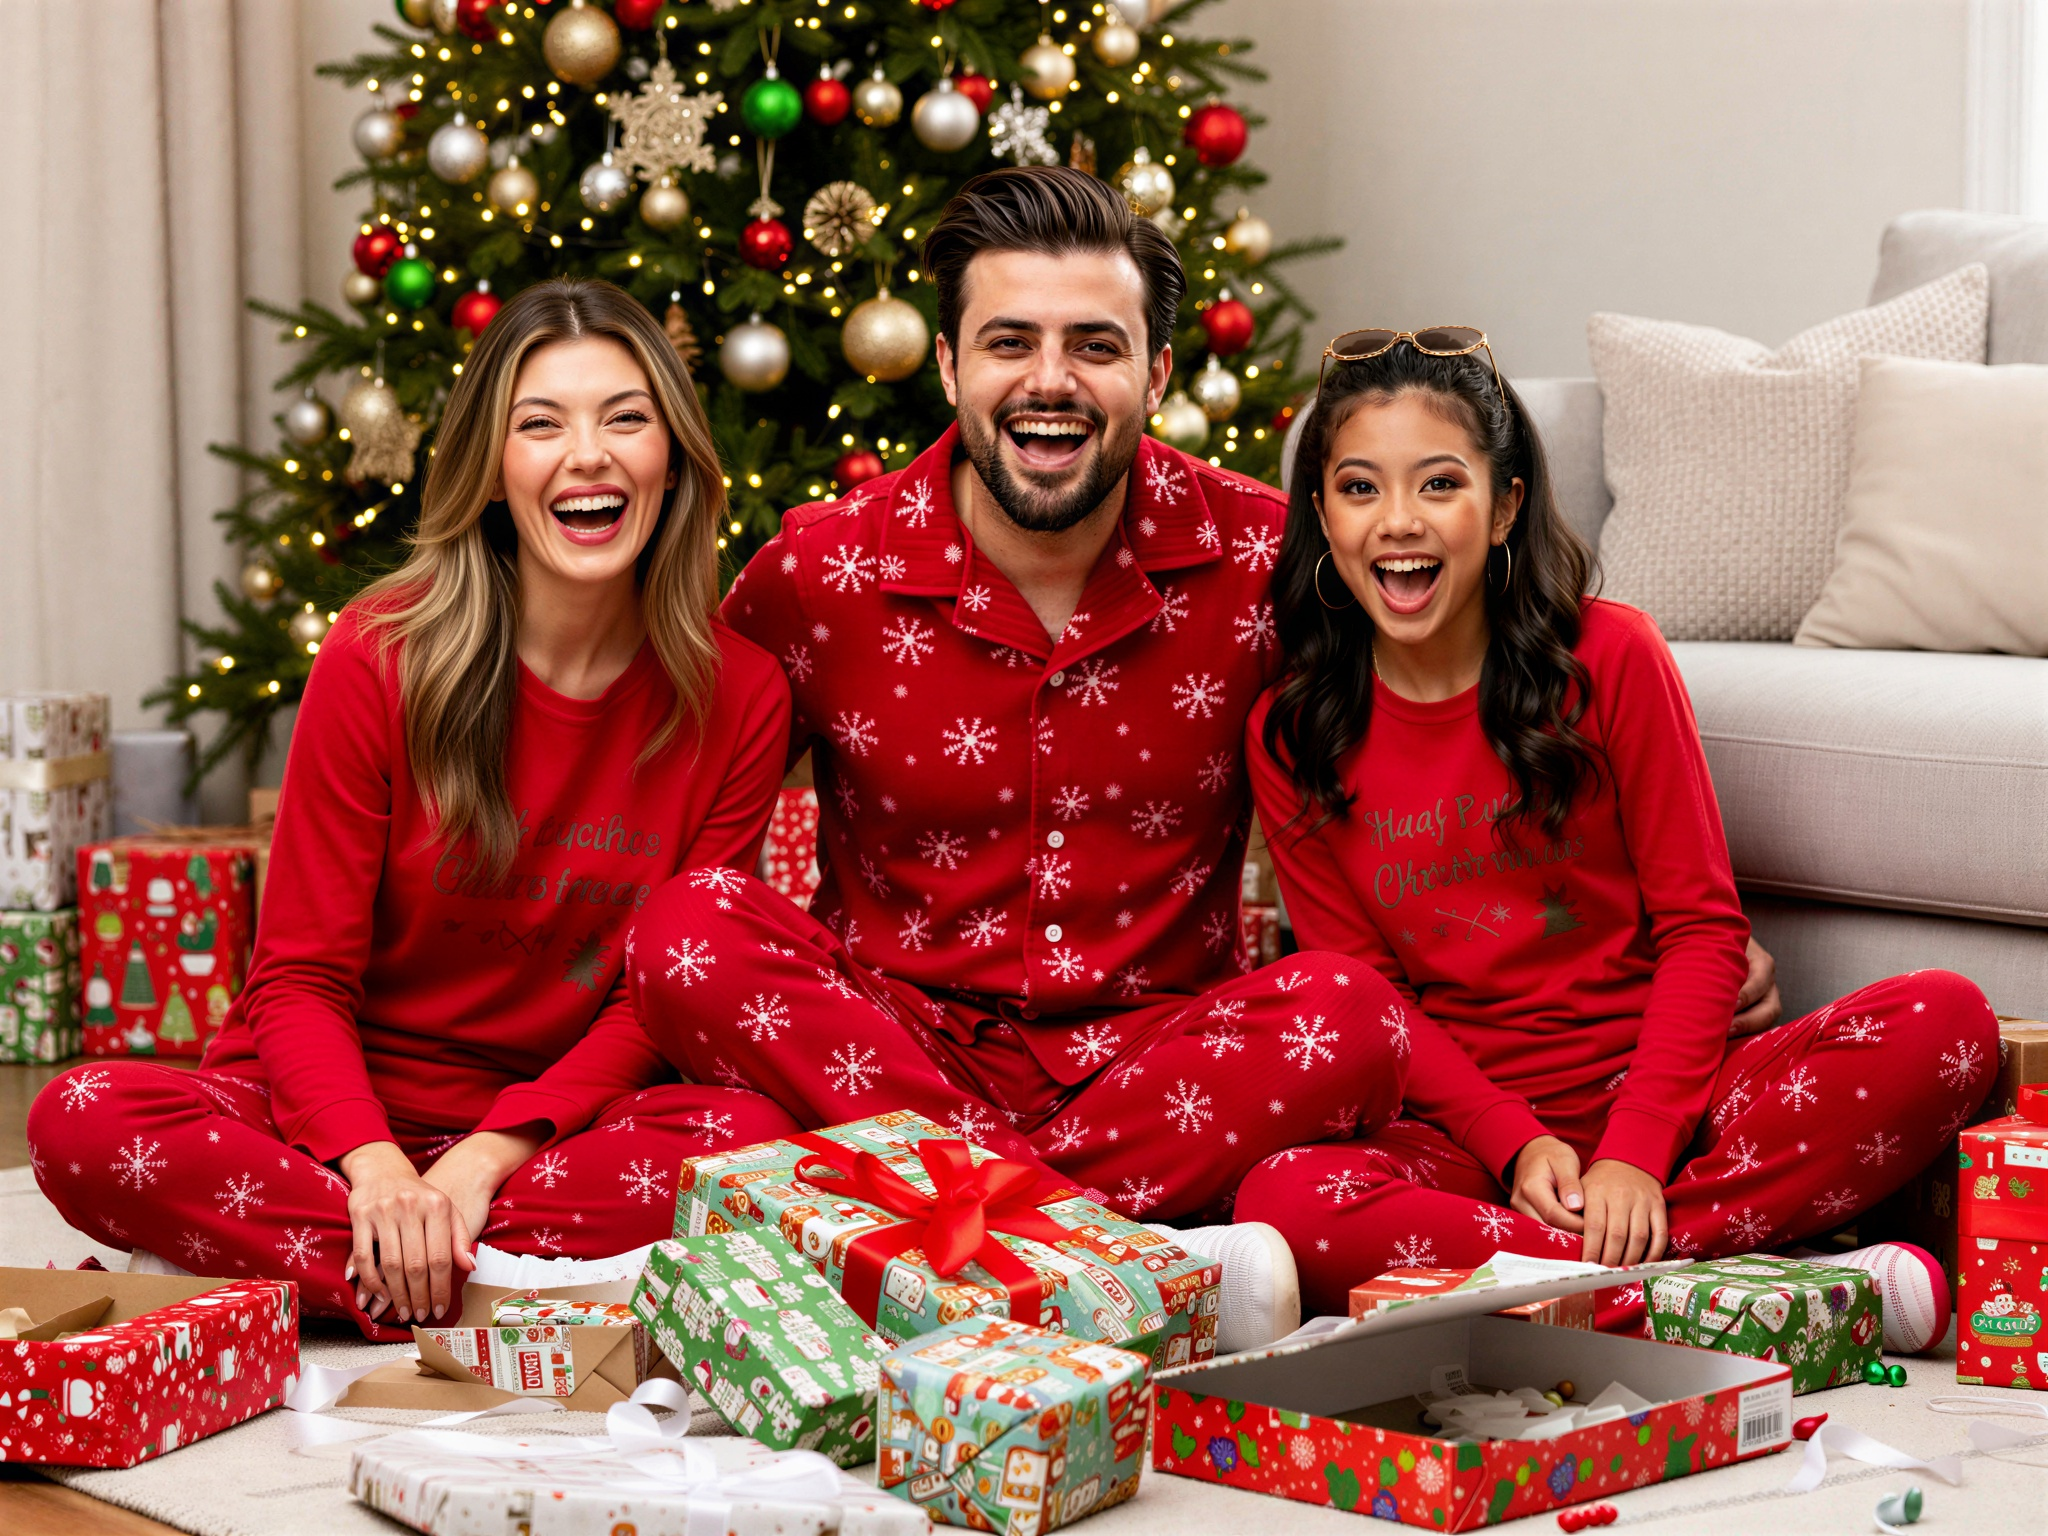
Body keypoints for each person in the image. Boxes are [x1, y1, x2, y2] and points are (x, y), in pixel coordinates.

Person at [628, 167, 1411, 1349]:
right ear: (948, 366)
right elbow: (675, 830)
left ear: (1153, 373)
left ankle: (941, 1240)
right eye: (1009, 342)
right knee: (690, 924)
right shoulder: (814, 575)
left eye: (1093, 345)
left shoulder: (1268, 557)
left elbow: (1420, 761)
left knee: (1347, 1013)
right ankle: (1105, 1254)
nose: (1050, 381)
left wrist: (1630, 933)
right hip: (883, 1054)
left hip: (1156, 1068)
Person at [30, 279, 801, 1339]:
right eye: (541, 424)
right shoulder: (381, 652)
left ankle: (326, 1276)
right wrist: (379, 1171)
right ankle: (508, 1296)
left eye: (626, 418)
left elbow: (651, 1005)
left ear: (673, 460)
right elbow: (296, 978)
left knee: (750, 1134)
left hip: (547, 1135)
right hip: (327, 1125)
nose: (589, 455)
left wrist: (489, 1158)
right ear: (490, 470)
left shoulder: (741, 693)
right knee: (83, 1119)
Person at [1237, 328, 2000, 1328]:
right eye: (1357, 488)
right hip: (1470, 1145)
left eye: (1436, 485)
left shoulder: (1611, 656)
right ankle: (1727, 1288)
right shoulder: (1291, 734)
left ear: (1503, 506)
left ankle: (1580, 1280)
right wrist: (1512, 1142)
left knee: (1945, 1021)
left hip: (1673, 1107)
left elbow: (1702, 931)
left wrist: (1636, 1152)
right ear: (1319, 516)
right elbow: (1370, 1007)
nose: (1396, 522)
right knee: (1281, 1204)